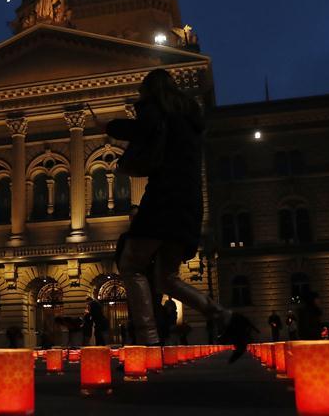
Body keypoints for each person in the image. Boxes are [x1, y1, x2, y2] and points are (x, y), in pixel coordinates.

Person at [104, 69, 252, 356]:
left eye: (142, 92)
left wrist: (110, 126)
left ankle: (148, 343)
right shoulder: (190, 119)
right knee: (166, 278)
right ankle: (228, 317)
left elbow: (142, 130)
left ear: (151, 91)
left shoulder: (156, 111)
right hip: (189, 203)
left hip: (164, 197)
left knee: (132, 264)